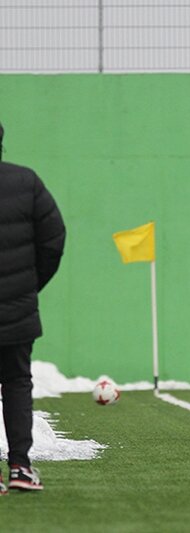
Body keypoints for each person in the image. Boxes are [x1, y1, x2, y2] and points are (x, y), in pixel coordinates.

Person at [0, 121, 66, 494]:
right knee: (16, 382)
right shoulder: (27, 182)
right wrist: (29, 285)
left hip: (19, 303)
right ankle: (20, 467)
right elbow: (54, 240)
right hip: (18, 309)